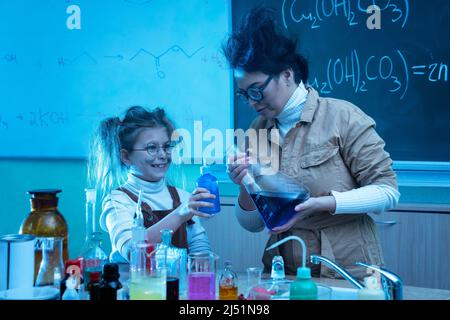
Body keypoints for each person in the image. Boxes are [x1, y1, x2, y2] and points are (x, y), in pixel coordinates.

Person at [223, 7, 400, 279]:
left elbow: (387, 192)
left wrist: (321, 204)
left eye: (257, 89)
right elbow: (253, 224)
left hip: (347, 273)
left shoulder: (342, 116)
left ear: (286, 74)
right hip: (285, 275)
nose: (251, 101)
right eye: (244, 94)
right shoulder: (256, 131)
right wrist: (244, 186)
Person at [88, 106, 214, 263]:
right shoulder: (118, 201)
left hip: (176, 286)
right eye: (151, 148)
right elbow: (133, 250)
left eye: (167, 146)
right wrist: (181, 213)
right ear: (126, 157)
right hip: (134, 286)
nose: (162, 155)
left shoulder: (182, 197)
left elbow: (200, 250)